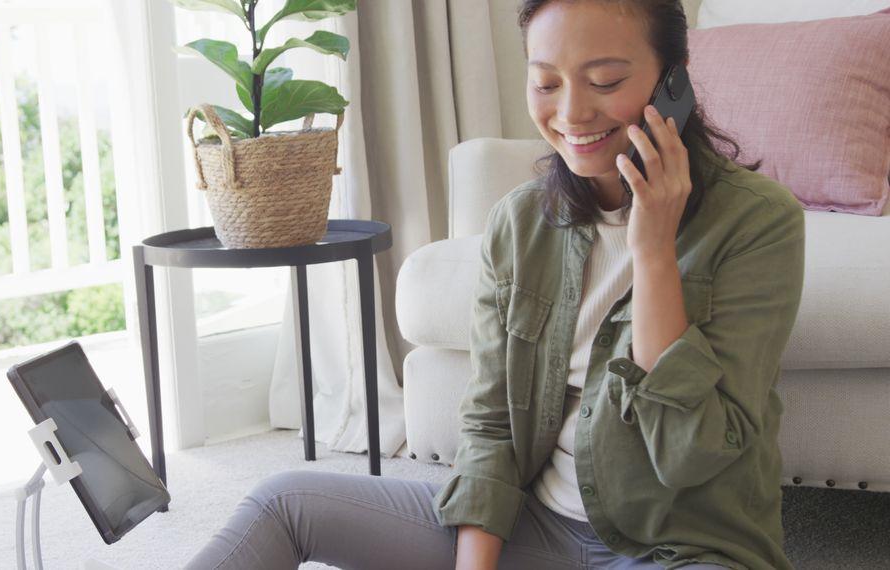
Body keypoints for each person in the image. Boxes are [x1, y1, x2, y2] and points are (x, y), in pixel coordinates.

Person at [183, 0, 804, 568]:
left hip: (683, 549)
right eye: (546, 83)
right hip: (536, 531)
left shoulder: (758, 222)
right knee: (284, 502)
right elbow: (492, 425)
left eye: (605, 81)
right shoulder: (521, 221)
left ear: (675, 79)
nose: (571, 113)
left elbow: (691, 456)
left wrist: (653, 254)